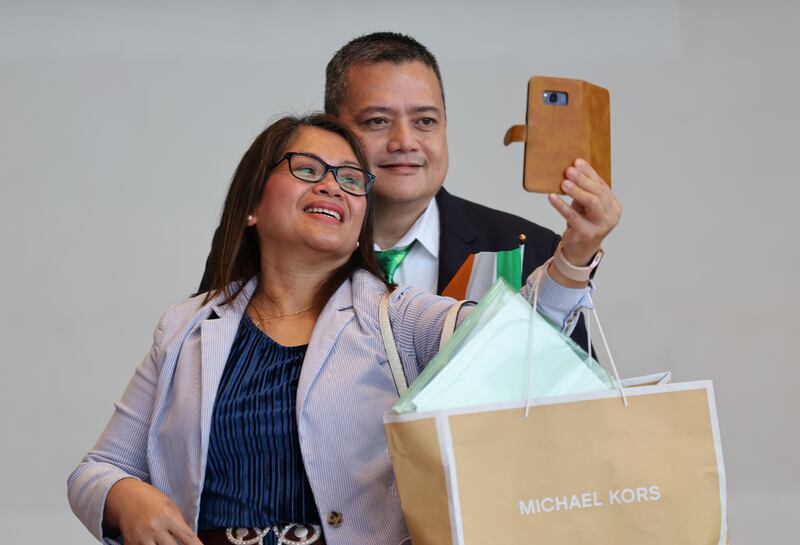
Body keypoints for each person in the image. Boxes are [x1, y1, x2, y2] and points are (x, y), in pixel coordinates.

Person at [68, 113, 618, 545]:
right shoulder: (186, 326)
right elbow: (97, 469)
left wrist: (575, 254)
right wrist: (125, 497)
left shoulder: (395, 315)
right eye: (308, 169)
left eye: (352, 179)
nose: (334, 186)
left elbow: (515, 340)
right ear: (253, 205)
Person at [197, 33, 620, 349]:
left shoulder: (527, 248)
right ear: (334, 131)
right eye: (378, 121)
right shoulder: (280, 243)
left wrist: (574, 260)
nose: (405, 142)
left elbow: (567, 399)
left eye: (425, 121)